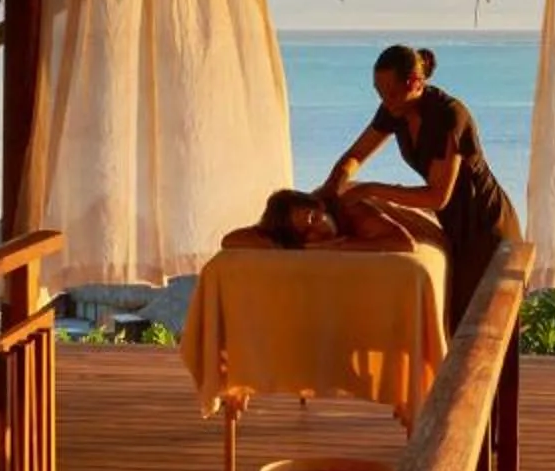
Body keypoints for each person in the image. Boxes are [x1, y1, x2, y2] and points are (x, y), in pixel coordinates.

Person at [316, 44, 519, 331]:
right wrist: (329, 191)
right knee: (456, 326)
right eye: (379, 92)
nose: (385, 101)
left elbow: (437, 197)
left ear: (414, 83)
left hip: (486, 226)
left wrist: (370, 189)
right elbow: (356, 155)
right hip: (455, 226)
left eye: (390, 92)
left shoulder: (448, 115)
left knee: (481, 331)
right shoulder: (394, 108)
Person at [222, 186, 419, 253]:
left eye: (315, 218)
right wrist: (297, 246)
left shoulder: (352, 208)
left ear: (320, 206)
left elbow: (405, 244)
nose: (318, 232)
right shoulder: (295, 235)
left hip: (412, 214)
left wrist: (338, 246)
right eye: (306, 234)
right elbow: (230, 240)